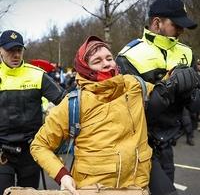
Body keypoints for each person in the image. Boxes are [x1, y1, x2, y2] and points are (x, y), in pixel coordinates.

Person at [30, 35, 200, 195]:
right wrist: (63, 175)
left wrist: (177, 73)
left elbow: (161, 90)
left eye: (109, 58)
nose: (106, 64)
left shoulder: (134, 85)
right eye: (97, 61)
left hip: (137, 187)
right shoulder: (74, 103)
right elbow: (39, 145)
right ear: (85, 68)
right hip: (94, 190)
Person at [116, 0, 199, 195]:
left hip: (168, 143)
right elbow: (128, 111)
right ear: (156, 23)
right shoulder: (129, 56)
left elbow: (194, 105)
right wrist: (169, 86)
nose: (181, 30)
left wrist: (193, 94)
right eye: (176, 25)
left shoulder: (186, 53)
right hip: (138, 145)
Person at [0, 30, 66, 195]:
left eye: (19, 50)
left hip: (31, 151)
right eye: (10, 50)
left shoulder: (37, 75)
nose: (15, 55)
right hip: (2, 152)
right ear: (0, 50)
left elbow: (65, 102)